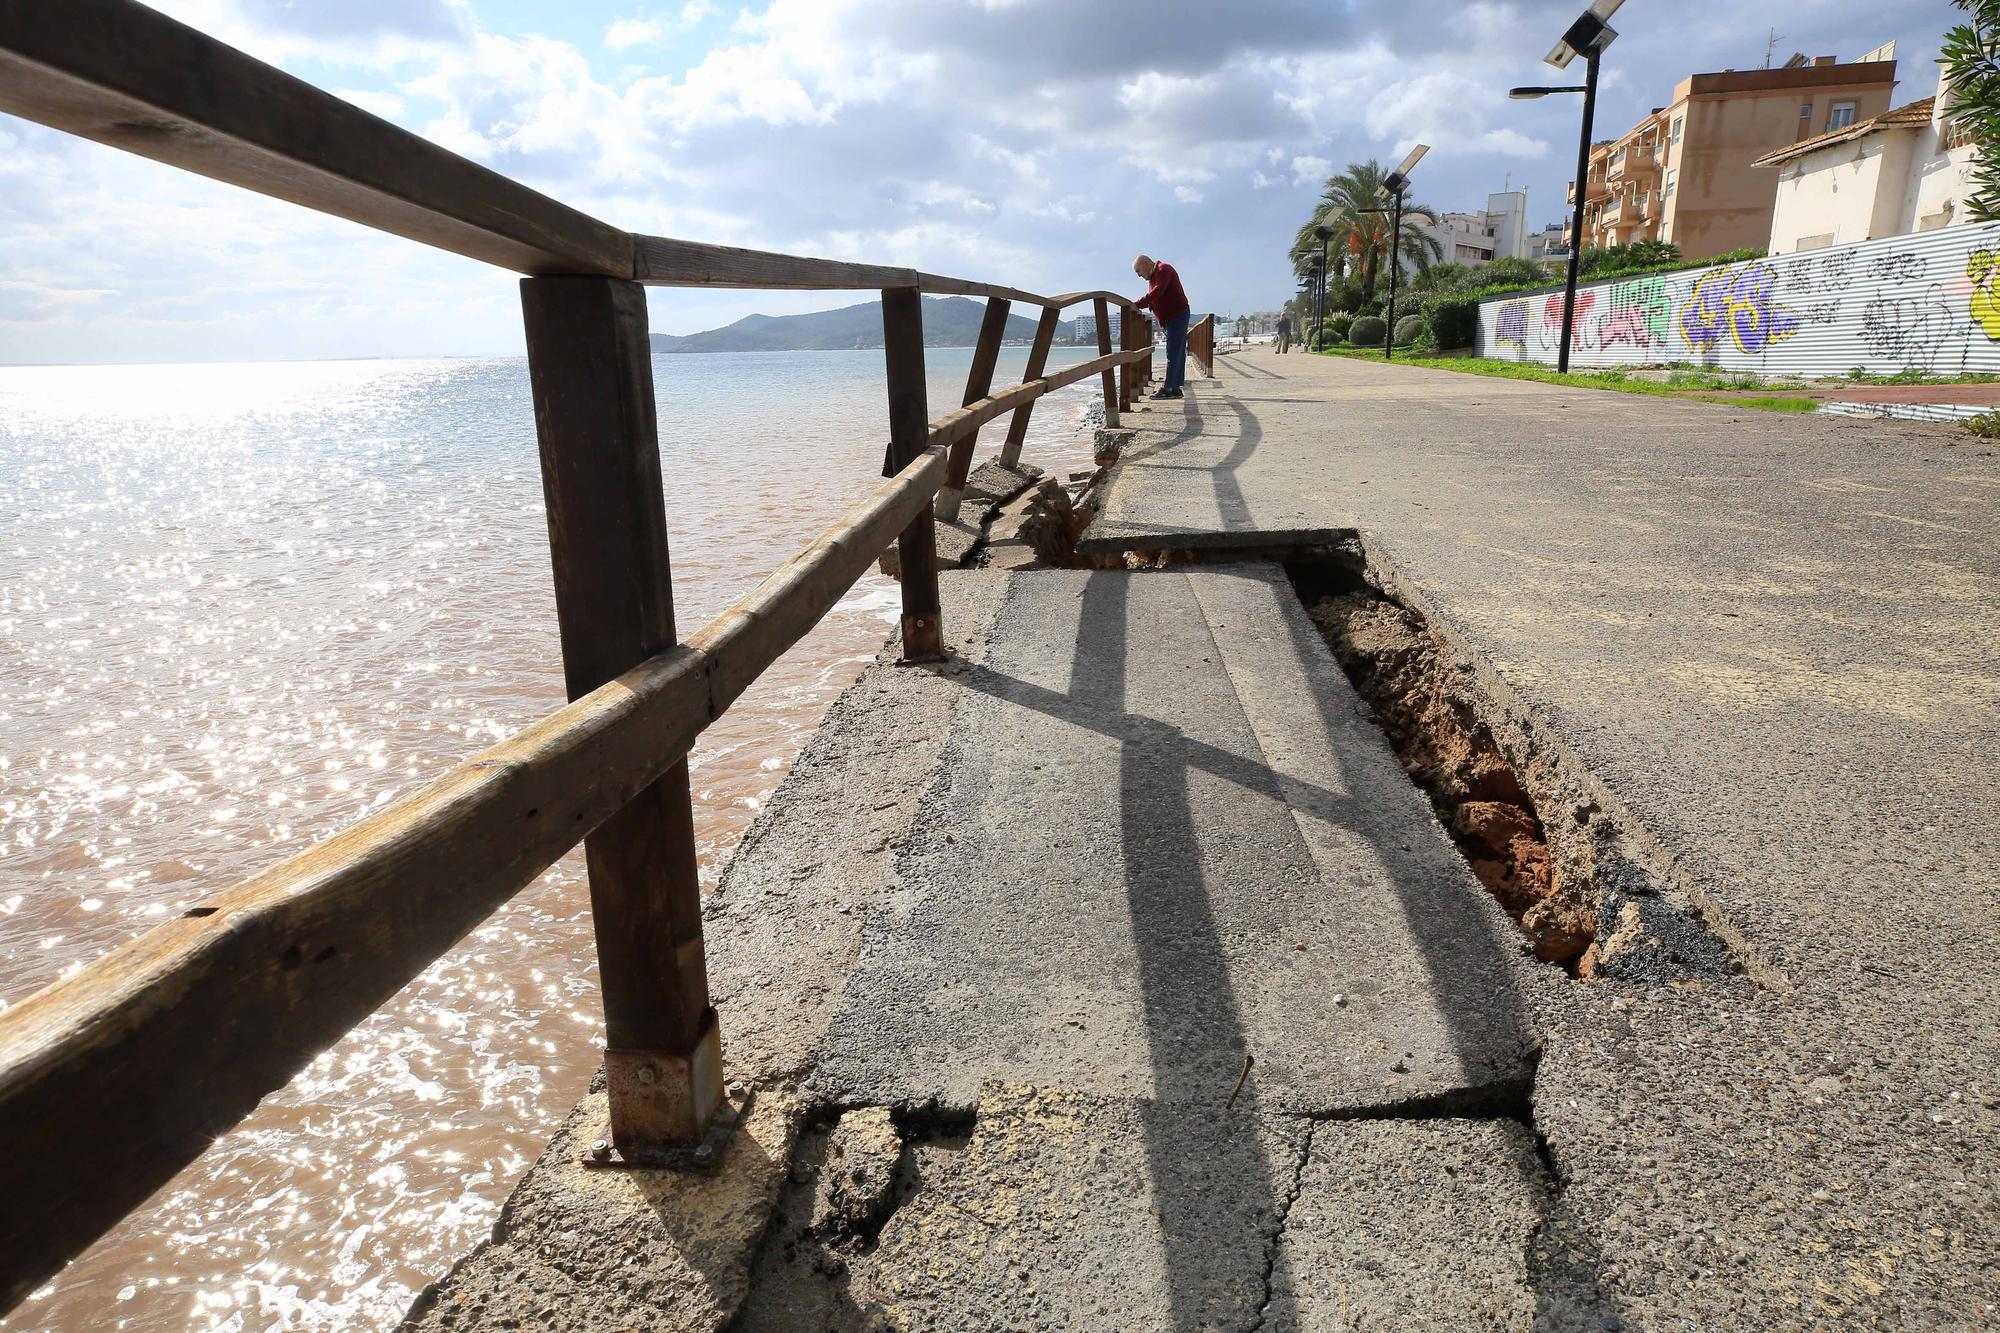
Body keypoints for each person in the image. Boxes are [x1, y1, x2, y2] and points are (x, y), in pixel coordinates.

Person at [1132, 255, 1189, 399]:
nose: (1139, 275)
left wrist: (1137, 304)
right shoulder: (1154, 275)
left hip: (1177, 315)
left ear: (1146, 263)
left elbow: (1158, 291)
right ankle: (1175, 388)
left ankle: (1169, 388)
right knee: (1177, 352)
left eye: (1139, 271)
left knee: (1173, 352)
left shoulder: (1163, 269)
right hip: (1172, 318)